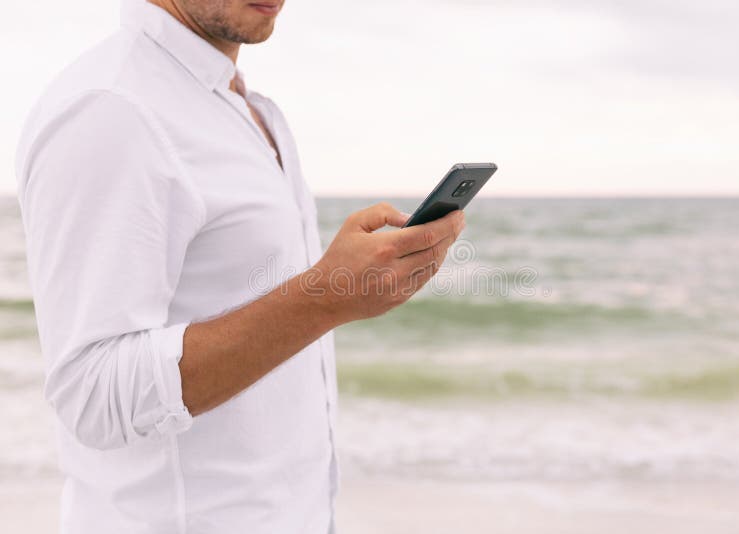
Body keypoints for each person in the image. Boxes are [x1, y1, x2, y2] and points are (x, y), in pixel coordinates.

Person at [14, 0, 465, 532]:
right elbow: (92, 394)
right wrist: (325, 298)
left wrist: (338, 289)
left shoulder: (255, 111)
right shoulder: (112, 108)